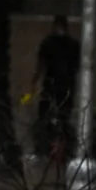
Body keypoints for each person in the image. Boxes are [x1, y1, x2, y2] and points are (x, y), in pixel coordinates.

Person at [30, 15, 80, 160]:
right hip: (65, 88)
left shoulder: (49, 43)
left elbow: (41, 66)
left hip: (52, 87)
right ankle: (60, 148)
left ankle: (44, 149)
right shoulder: (72, 45)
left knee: (46, 117)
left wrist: (34, 84)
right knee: (62, 118)